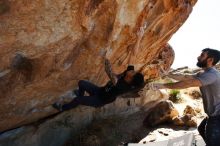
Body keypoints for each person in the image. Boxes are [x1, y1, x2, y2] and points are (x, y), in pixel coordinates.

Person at [153, 48, 220, 146]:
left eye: (202, 56)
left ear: (210, 60)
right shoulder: (203, 73)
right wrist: (168, 74)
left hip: (217, 117)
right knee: (202, 129)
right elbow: (185, 76)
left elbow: (188, 83)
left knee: (212, 140)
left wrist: (163, 86)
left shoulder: (212, 75)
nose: (198, 57)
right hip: (212, 115)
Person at [53, 57, 144, 112]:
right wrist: (139, 37)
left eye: (133, 72)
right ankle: (81, 95)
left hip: (99, 100)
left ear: (131, 79)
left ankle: (63, 108)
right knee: (81, 83)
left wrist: (106, 61)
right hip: (99, 90)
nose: (132, 70)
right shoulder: (127, 75)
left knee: (78, 99)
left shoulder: (123, 87)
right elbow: (133, 56)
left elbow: (111, 75)